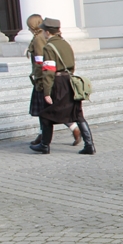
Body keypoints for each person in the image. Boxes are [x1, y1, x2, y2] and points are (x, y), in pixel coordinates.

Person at [30, 18, 95, 155]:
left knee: (46, 114)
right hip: (69, 81)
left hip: (57, 83)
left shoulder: (49, 47)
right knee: (77, 114)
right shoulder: (66, 43)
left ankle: (44, 145)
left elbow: (48, 71)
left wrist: (47, 92)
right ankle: (89, 145)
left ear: (47, 32)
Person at [25, 14, 80, 147]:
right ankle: (46, 135)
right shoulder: (47, 38)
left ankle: (45, 140)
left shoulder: (39, 39)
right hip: (52, 77)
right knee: (54, 109)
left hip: (44, 78)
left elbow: (40, 61)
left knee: (49, 110)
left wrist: (40, 81)